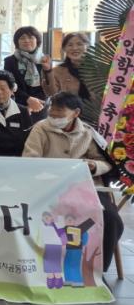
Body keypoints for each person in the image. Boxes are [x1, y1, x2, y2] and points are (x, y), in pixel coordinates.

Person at [23, 92, 124, 273]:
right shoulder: (40, 128)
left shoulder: (88, 132)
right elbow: (29, 160)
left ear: (76, 113)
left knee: (111, 219)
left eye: (60, 110)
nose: (53, 114)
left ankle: (98, 271)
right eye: (52, 109)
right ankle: (44, 266)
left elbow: (105, 163)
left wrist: (93, 166)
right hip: (49, 188)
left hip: (85, 187)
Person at [0, 70, 33, 157]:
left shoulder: (23, 111)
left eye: (3, 88)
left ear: (11, 90)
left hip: (17, 159)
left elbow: (29, 140)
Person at [4, 26, 53, 110]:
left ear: (37, 40)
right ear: (17, 42)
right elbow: (9, 84)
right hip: (18, 105)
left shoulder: (45, 59)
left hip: (41, 104)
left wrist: (48, 70)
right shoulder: (10, 61)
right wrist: (28, 99)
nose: (26, 40)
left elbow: (51, 85)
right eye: (22, 38)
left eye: (30, 37)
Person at [46, 32, 92, 100]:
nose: (74, 48)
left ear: (87, 47)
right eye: (70, 45)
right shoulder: (57, 71)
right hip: (67, 106)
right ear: (64, 49)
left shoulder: (98, 69)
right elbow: (53, 96)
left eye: (79, 44)